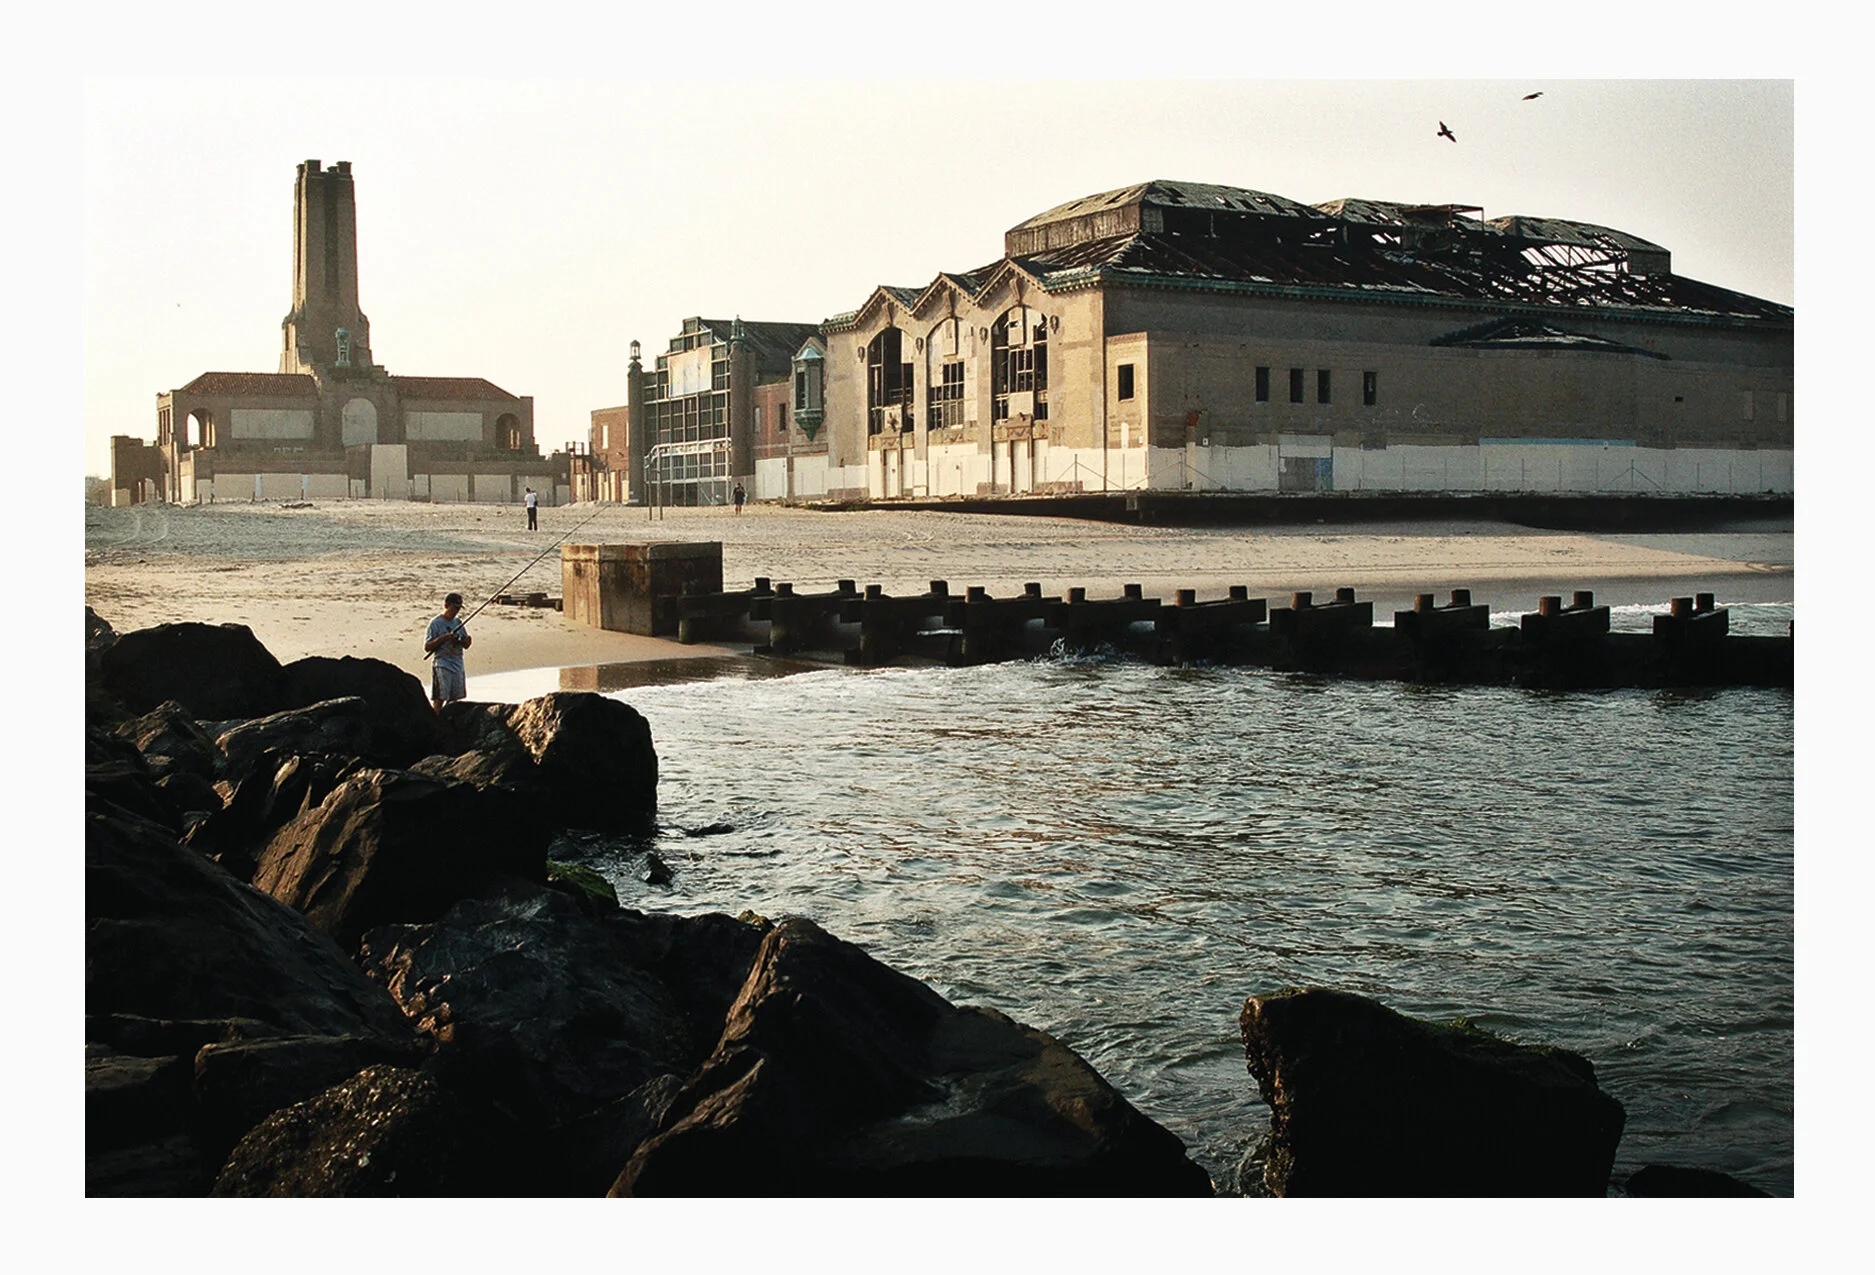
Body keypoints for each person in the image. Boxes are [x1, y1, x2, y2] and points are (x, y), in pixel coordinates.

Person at [424, 591, 473, 710]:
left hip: (457, 663)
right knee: (440, 698)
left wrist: (464, 641)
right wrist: (442, 638)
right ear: (446, 605)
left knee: (455, 700)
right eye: (454, 608)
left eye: (459, 608)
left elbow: (466, 645)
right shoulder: (435, 623)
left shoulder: (458, 622)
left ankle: (449, 718)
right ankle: (435, 717)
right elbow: (427, 647)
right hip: (442, 663)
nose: (456, 611)